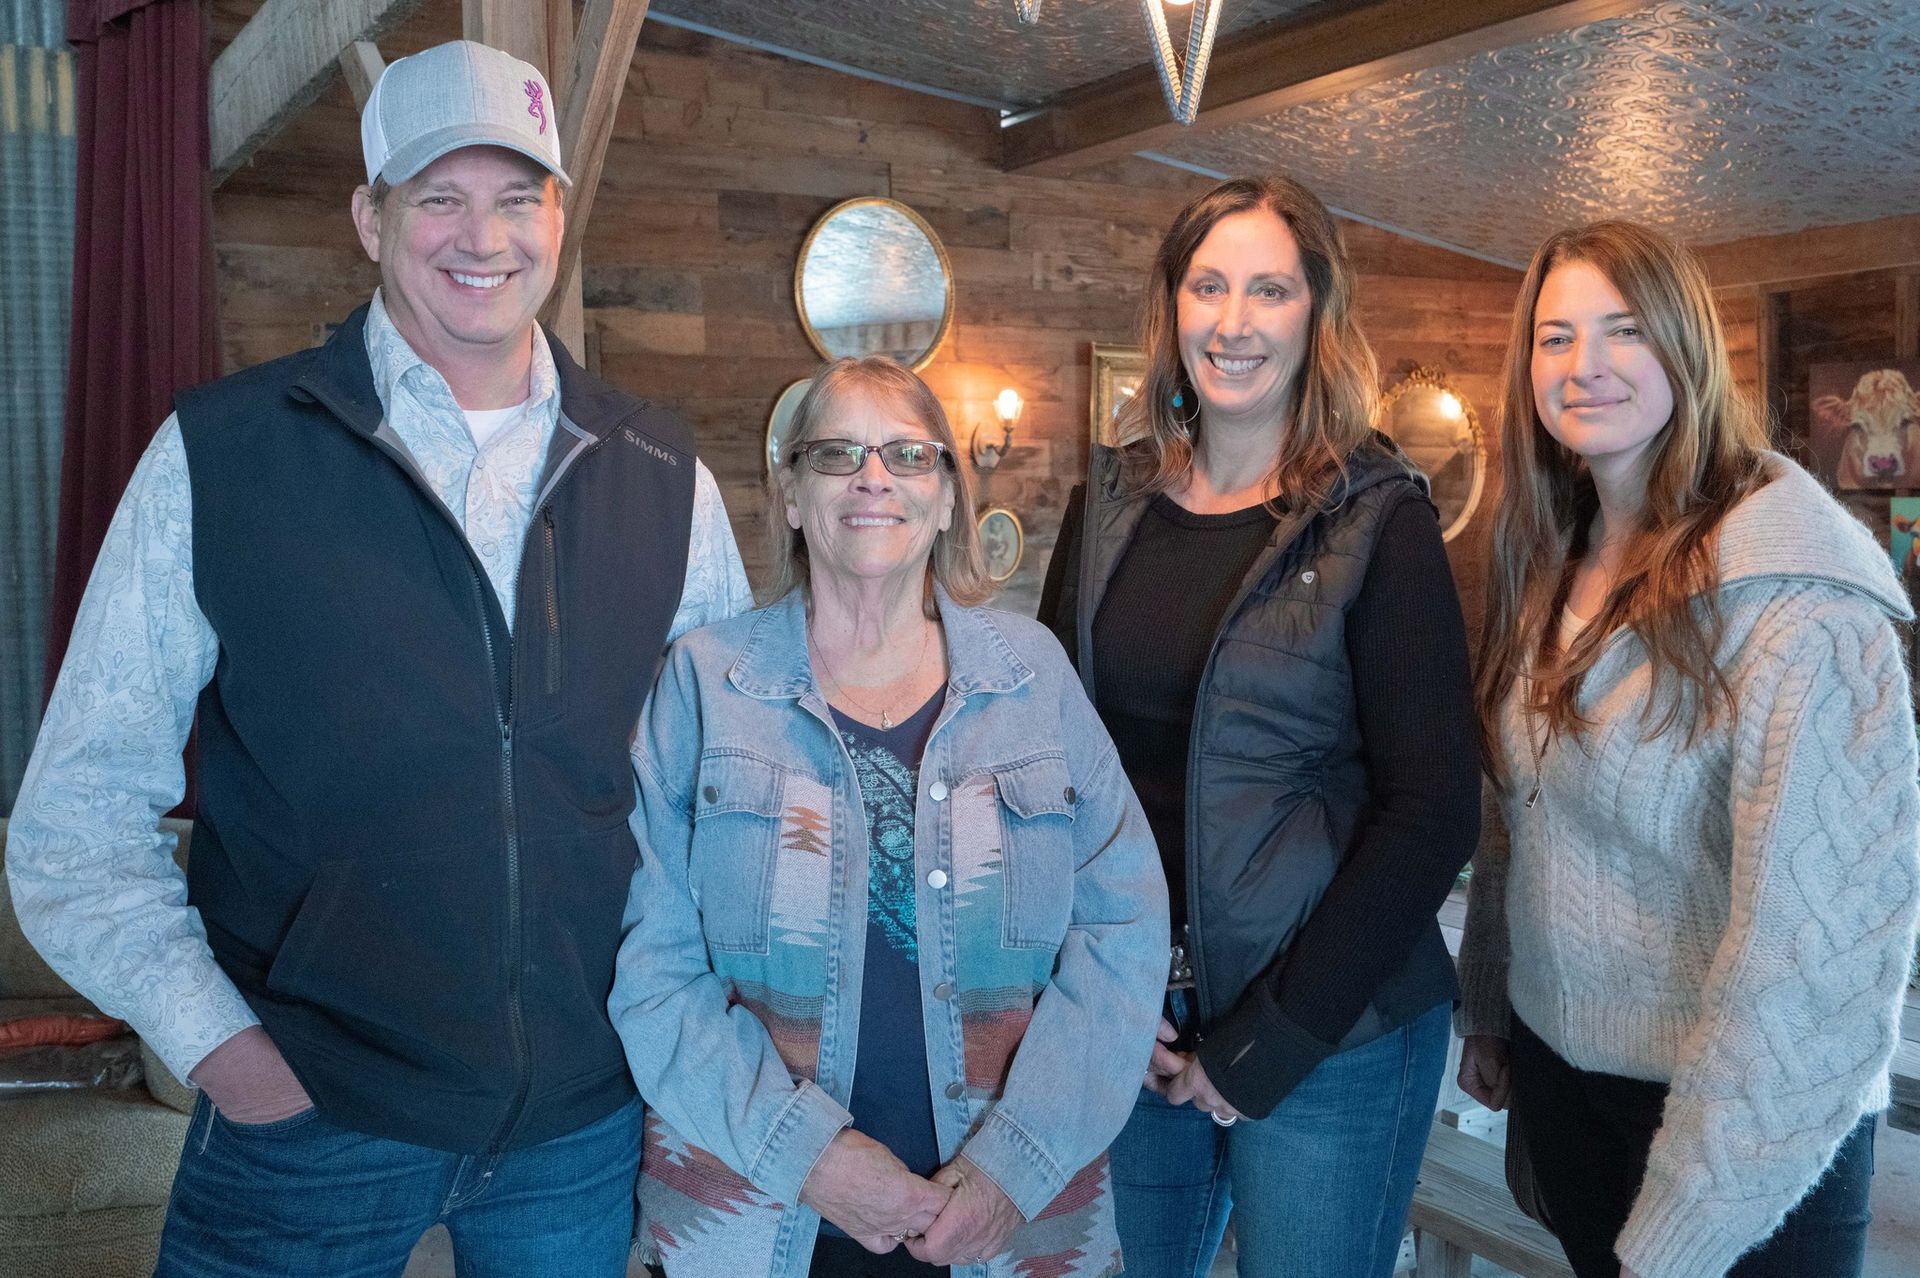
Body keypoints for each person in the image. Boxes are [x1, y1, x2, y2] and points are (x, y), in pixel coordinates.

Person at [5, 39, 752, 1278]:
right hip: (310, 1119)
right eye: (439, 196)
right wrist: (227, 1054)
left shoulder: (665, 474)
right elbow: (73, 821)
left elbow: (720, 798)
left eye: (518, 197)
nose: (484, 237)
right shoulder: (222, 456)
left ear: (557, 218)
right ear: (371, 217)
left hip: (579, 1128)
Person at [611, 356, 1169, 1278]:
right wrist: (808, 1157)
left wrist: (1014, 1167)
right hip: (751, 1229)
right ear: (793, 496)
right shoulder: (705, 682)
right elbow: (652, 969)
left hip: (1008, 1232)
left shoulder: (1033, 677)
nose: (873, 476)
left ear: (947, 498)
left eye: (909, 454)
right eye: (837, 453)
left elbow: (1125, 933)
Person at [1454, 220, 1920, 1278]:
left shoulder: (1799, 599)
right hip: (1567, 1079)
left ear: (1687, 346)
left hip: (1747, 1136)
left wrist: (1689, 1225)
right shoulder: (1554, 554)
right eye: (1556, 336)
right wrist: (1491, 1000)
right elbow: (1520, 806)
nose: (1586, 364)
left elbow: (1817, 960)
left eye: (1624, 330)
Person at [1037, 175, 1480, 1277]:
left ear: (1316, 313)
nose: (1233, 323)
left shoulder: (1379, 520)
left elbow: (1434, 812)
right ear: (1171, 307)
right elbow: (1045, 761)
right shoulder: (1109, 504)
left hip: (1333, 1034)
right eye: (1209, 287)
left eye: (1270, 290)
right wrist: (1091, 976)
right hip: (1136, 1018)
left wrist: (1271, 1039)